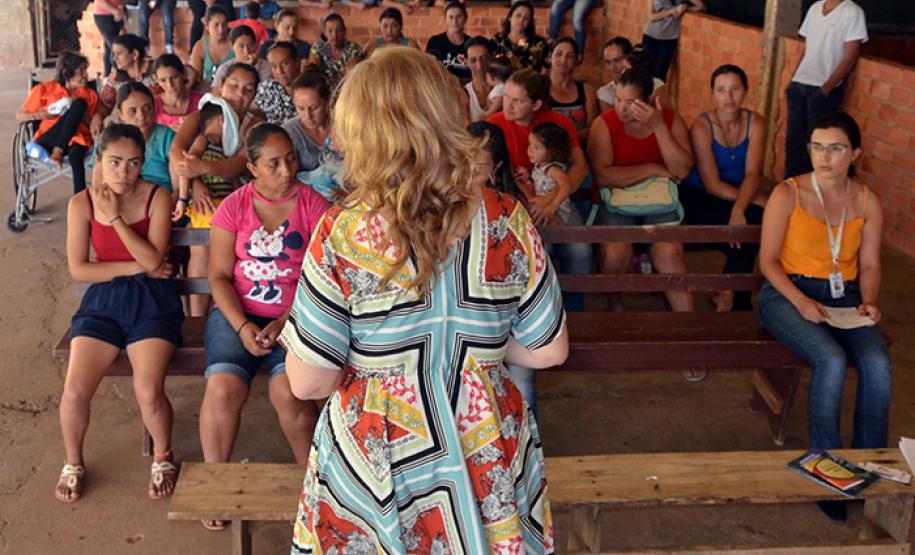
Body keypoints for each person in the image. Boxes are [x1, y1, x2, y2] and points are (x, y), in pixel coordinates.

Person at [279, 46, 566, 554]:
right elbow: (547, 349)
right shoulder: (505, 217)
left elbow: (308, 379)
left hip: (380, 449)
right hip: (485, 440)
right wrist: (479, 355)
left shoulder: (342, 232)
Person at [758, 111, 890, 522]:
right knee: (831, 360)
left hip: (846, 295)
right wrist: (800, 302)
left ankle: (867, 468)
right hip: (785, 295)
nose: (824, 156)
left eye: (835, 148)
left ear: (854, 153)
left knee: (878, 362)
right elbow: (767, 262)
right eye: (817, 146)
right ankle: (829, 473)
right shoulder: (788, 193)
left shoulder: (867, 200)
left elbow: (869, 264)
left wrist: (868, 301)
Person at [198, 123, 328, 531]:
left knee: (288, 391)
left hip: (299, 316)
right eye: (273, 163)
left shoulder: (314, 206)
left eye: (290, 158)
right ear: (252, 167)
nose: (287, 169)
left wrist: (285, 320)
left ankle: (317, 490)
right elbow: (218, 276)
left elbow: (324, 279)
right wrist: (241, 328)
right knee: (223, 389)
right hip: (237, 315)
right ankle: (215, 486)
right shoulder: (234, 207)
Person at [57, 123, 182, 504]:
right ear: (99, 159)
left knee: (147, 390)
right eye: (114, 162)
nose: (123, 173)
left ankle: (163, 456)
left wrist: (114, 219)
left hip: (154, 300)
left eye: (133, 163)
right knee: (75, 391)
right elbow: (79, 269)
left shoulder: (156, 197)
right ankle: (73, 461)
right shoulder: (80, 204)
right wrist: (136, 266)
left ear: (143, 164)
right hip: (103, 302)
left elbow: (154, 258)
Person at [587, 67, 694, 316]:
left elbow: (682, 170)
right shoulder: (604, 124)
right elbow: (604, 176)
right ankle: (615, 305)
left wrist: (658, 126)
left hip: (660, 201)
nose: (622, 108)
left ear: (648, 101)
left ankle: (689, 322)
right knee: (616, 251)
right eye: (618, 100)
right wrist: (654, 168)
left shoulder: (670, 120)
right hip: (615, 201)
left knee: (669, 251)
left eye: (631, 102)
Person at [170, 63, 264, 316]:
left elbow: (239, 165)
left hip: (242, 199)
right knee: (200, 246)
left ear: (254, 95)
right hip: (206, 198)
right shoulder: (201, 117)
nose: (239, 94)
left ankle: (226, 314)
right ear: (221, 87)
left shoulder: (254, 125)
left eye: (248, 89)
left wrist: (201, 169)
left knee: (233, 252)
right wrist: (196, 183)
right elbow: (178, 153)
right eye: (233, 86)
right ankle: (197, 319)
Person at [682, 65, 767, 312]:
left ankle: (728, 294)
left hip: (736, 197)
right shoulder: (702, 126)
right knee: (745, 225)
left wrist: (740, 208)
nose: (728, 97)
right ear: (713, 94)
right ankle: (733, 298)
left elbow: (753, 173)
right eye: (721, 90)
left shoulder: (756, 123)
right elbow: (712, 184)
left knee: (755, 220)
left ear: (746, 91)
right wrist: (748, 203)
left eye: (735, 89)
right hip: (701, 195)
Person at [784, 0, 867, 179]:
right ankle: (790, 191)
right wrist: (793, 79)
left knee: (818, 146)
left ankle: (811, 196)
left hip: (822, 89)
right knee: (794, 142)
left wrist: (826, 89)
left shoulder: (852, 11)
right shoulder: (815, 8)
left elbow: (851, 56)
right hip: (800, 85)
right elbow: (807, 49)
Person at [16, 51, 104, 194]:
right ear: (66, 73)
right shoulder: (44, 89)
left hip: (78, 140)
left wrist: (91, 117)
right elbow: (19, 115)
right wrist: (39, 114)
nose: (86, 75)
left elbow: (95, 118)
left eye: (85, 70)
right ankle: (58, 150)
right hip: (49, 138)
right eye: (81, 70)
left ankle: (80, 201)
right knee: (80, 104)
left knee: (76, 155)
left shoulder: (90, 94)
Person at [108, 82, 177, 195]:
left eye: (147, 108)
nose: (141, 116)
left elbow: (177, 190)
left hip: (162, 201)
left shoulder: (168, 138)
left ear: (154, 109)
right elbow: (101, 182)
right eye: (133, 111)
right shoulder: (113, 140)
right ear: (121, 114)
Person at [548, 37, 598, 145]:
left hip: (579, 149)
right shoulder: (541, 87)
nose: (563, 60)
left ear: (577, 59)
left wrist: (567, 140)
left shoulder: (587, 89)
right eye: (559, 54)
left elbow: (592, 129)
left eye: (570, 56)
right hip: (547, 151)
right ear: (549, 57)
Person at [642, 0, 705, 80]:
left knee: (660, 75)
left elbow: (701, 6)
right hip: (651, 36)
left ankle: (657, 92)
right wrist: (672, 11)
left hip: (669, 39)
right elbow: (651, 17)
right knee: (644, 71)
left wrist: (685, 8)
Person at [282, 71, 331, 174]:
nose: (308, 116)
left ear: (328, 102)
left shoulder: (343, 124)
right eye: (301, 108)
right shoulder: (289, 133)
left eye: (314, 108)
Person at [101, 34, 157, 112]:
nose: (114, 58)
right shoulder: (116, 77)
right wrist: (98, 116)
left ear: (135, 54)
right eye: (114, 54)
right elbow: (105, 105)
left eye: (119, 53)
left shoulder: (156, 71)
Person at [306, 14, 364, 89]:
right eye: (330, 31)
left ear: (344, 31)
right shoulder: (318, 48)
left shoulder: (353, 48)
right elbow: (312, 70)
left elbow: (352, 68)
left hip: (346, 91)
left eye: (339, 30)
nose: (334, 35)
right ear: (325, 33)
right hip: (323, 92)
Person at [493, 1, 549, 73]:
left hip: (530, 83)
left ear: (529, 22)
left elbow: (548, 66)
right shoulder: (497, 41)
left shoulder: (539, 43)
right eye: (518, 15)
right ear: (510, 17)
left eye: (526, 18)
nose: (521, 20)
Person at [212, 25, 273, 90]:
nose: (246, 51)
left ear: (256, 45)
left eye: (251, 45)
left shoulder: (265, 67)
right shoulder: (224, 69)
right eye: (241, 46)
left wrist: (251, 67)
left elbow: (266, 93)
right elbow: (216, 93)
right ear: (232, 46)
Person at [153, 54, 204, 132]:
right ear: (157, 81)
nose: (170, 85)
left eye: (174, 77)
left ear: (183, 75)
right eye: (163, 80)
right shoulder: (152, 105)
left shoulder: (202, 101)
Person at [188, 6, 235, 89]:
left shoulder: (235, 45)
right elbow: (196, 79)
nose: (221, 29)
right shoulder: (200, 46)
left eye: (224, 25)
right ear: (207, 26)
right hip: (206, 91)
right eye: (216, 25)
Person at [255, 42, 299, 125]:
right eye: (274, 66)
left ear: (297, 62)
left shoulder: (310, 87)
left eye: (285, 64)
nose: (280, 71)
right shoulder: (266, 89)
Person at [425, 1, 471, 81]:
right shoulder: (435, 42)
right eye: (451, 17)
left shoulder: (472, 44)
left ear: (465, 18)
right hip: (442, 87)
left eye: (458, 16)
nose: (455, 21)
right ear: (445, 19)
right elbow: (429, 69)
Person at [461, 36, 493, 122]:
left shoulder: (504, 88)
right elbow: (467, 129)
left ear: (492, 58)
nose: (479, 65)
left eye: (484, 59)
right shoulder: (463, 94)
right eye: (473, 60)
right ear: (466, 62)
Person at [596, 36, 632, 112]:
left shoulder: (655, 84)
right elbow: (612, 123)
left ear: (630, 58)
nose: (612, 68)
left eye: (617, 60)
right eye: (608, 62)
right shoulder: (605, 93)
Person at [93, 0, 126, 78]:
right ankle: (120, 74)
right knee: (115, 47)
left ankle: (106, 76)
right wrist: (114, 10)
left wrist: (120, 8)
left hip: (117, 14)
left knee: (109, 48)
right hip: (103, 15)